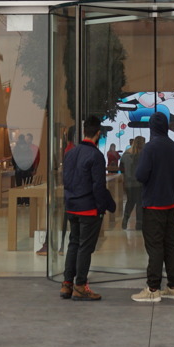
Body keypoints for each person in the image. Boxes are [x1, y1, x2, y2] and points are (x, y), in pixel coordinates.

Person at [60, 118, 116, 301]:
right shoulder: (96, 156)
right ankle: (80, 286)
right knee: (85, 247)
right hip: (88, 209)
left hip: (72, 207)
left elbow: (66, 181)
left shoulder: (70, 154)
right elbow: (98, 186)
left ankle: (67, 284)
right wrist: (102, 207)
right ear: (98, 133)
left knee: (73, 244)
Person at [132, 111, 174, 303]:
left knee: (154, 245)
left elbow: (140, 175)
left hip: (153, 203)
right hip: (170, 203)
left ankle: (153, 288)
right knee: (170, 244)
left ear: (152, 127)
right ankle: (173, 286)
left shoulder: (150, 148)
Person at [120, 136, 144, 231]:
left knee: (130, 202)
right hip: (140, 183)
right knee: (139, 203)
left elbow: (121, 169)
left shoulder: (125, 155)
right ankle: (139, 224)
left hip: (128, 183)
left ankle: (125, 220)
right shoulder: (143, 155)